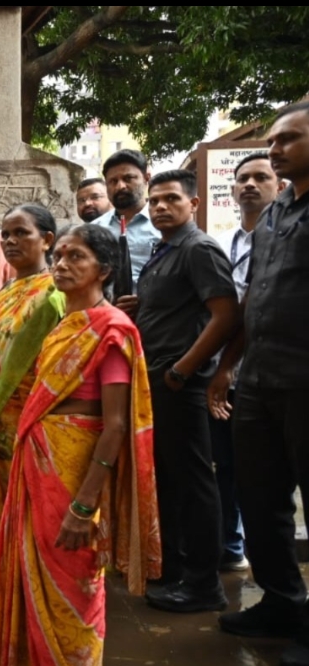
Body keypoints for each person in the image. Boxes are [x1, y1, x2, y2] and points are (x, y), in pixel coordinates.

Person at [0, 224, 161, 665]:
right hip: (37, 468)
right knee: (33, 575)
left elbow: (117, 424)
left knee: (75, 579)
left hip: (75, 477)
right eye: (60, 256)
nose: (62, 264)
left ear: (104, 270)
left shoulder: (111, 331)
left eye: (76, 257)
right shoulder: (65, 324)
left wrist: (84, 507)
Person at [207, 101, 309, 666]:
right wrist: (226, 366)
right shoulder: (274, 215)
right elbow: (253, 298)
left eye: (287, 140)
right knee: (260, 495)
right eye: (271, 141)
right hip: (259, 382)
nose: (274, 150)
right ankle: (280, 602)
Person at [0, 204, 65, 641]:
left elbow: (62, 369)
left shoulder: (54, 294)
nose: (13, 241)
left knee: (25, 528)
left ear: (48, 240)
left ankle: (26, 624)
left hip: (28, 431)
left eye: (23, 232)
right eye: (8, 234)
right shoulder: (3, 291)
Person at [132, 170, 238, 614]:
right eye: (154, 200)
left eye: (170, 199)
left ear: (192, 204)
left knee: (195, 482)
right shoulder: (165, 248)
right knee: (173, 480)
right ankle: (175, 567)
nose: (159, 207)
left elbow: (226, 314)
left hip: (181, 384)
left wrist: (183, 370)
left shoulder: (199, 248)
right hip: (158, 381)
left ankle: (203, 584)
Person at [209, 152, 284, 573]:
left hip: (277, 371)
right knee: (233, 467)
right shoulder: (228, 241)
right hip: (235, 373)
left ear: (280, 185)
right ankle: (232, 546)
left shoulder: (285, 235)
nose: (250, 185)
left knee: (268, 478)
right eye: (243, 179)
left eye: (262, 177)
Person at [92, 149, 162, 288]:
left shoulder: (163, 226)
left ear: (147, 178)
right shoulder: (95, 229)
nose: (120, 186)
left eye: (128, 178)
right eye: (113, 181)